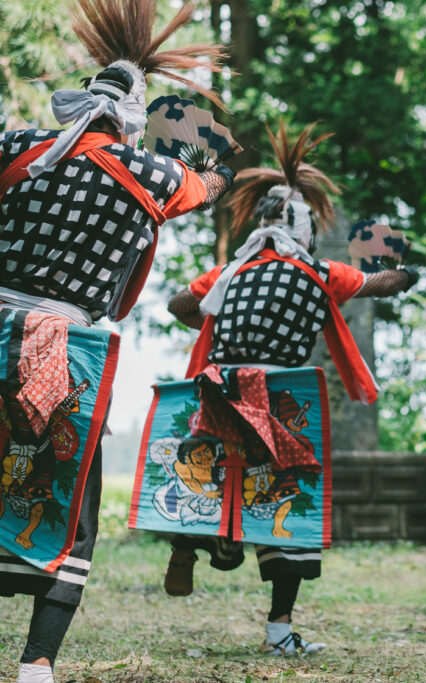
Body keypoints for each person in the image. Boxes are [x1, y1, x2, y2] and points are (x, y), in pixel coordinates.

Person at [0, 2, 232, 681]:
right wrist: (210, 162)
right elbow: (203, 186)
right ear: (129, 119)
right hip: (70, 348)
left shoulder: (17, 147)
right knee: (69, 495)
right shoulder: (151, 176)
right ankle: (37, 662)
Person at [159, 121, 417, 657]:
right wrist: (406, 270)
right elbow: (380, 284)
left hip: (219, 389)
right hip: (279, 402)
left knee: (211, 475)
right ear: (306, 229)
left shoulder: (228, 274)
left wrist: (217, 322)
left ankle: (198, 539)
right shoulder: (322, 273)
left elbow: (178, 305)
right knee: (286, 505)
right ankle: (279, 628)